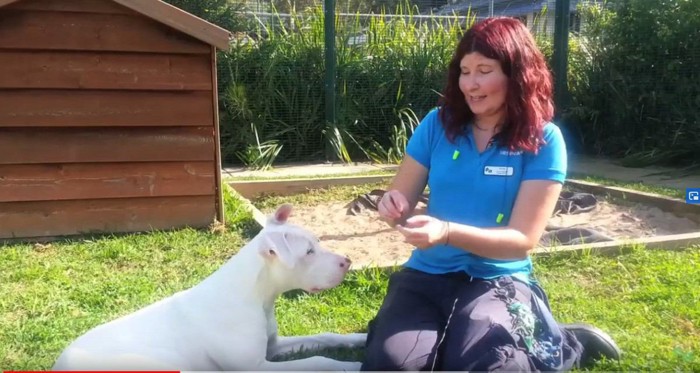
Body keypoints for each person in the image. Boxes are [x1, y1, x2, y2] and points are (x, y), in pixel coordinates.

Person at [361, 17, 621, 371]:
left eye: (484, 70)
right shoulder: (436, 124)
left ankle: (564, 341)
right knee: (392, 364)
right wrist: (392, 206)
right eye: (465, 71)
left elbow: (521, 239)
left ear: (516, 74)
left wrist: (447, 232)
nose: (471, 84)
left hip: (497, 277)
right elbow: (398, 201)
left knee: (491, 365)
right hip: (428, 274)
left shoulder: (544, 140)